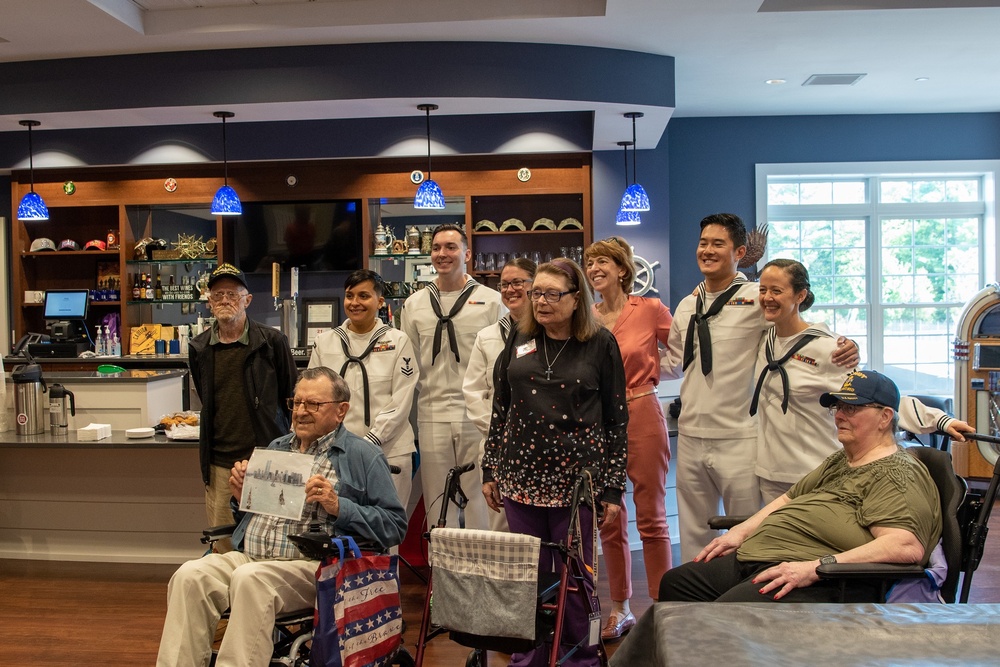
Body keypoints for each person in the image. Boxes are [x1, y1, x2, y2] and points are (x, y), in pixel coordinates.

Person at [156, 367, 407, 667]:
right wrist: (241, 497)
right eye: (296, 402)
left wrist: (338, 505)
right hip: (252, 557)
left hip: (314, 566)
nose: (300, 412)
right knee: (190, 576)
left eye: (312, 404)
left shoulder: (362, 456)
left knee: (250, 580)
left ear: (341, 411)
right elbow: (254, 515)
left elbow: (394, 525)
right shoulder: (276, 448)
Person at [661, 213, 859, 562]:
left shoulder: (757, 297)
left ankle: (743, 604)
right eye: (703, 243)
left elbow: (797, 326)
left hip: (740, 438)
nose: (707, 250)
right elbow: (673, 364)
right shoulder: (688, 305)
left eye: (717, 243)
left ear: (739, 251)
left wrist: (846, 346)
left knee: (747, 532)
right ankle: (694, 607)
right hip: (691, 436)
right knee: (693, 531)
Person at [659, 369, 942, 603]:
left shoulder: (897, 474)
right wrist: (740, 531)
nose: (840, 415)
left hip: (822, 575)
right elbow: (788, 498)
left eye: (852, 407)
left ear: (885, 417)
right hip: (763, 554)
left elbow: (905, 546)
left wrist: (818, 567)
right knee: (677, 584)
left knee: (725, 612)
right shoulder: (842, 460)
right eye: (838, 407)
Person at [482, 258, 628, 667]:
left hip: (576, 483)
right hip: (520, 479)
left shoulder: (600, 343)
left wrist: (612, 489)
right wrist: (490, 468)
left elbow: (617, 420)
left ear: (576, 298)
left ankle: (579, 657)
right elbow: (501, 406)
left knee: (576, 578)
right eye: (536, 294)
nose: (541, 302)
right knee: (526, 576)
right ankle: (529, 657)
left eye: (551, 294)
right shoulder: (520, 335)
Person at [750, 258, 975, 502]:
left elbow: (875, 396)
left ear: (800, 295)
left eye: (776, 291)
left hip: (814, 472)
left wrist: (940, 420)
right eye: (762, 290)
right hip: (769, 472)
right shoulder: (762, 338)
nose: (767, 297)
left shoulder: (828, 349)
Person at [584, 237, 671, 640]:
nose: (593, 267)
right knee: (609, 517)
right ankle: (619, 608)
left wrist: (656, 373)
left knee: (651, 515)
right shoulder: (586, 317)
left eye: (602, 260)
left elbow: (692, 348)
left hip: (641, 412)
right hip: (598, 422)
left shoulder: (650, 309)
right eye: (588, 262)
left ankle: (664, 607)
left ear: (622, 268)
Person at [400, 223, 506, 529]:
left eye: (451, 247)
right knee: (437, 497)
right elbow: (409, 365)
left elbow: (498, 365)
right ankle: (442, 570)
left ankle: (482, 568)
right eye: (436, 248)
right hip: (431, 411)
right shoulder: (414, 304)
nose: (442, 254)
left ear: (467, 254)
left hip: (475, 413)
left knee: (479, 494)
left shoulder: (491, 300)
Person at [189, 262, 297, 553]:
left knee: (271, 539)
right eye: (218, 294)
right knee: (223, 544)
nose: (225, 300)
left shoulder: (272, 342)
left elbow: (291, 398)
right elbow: (206, 399)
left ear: (247, 300)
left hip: (266, 459)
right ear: (209, 302)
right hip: (220, 462)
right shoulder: (199, 347)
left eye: (233, 294)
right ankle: (228, 599)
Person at [309, 269, 419, 509]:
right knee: (338, 525)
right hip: (336, 451)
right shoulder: (325, 342)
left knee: (387, 528)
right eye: (350, 296)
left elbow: (401, 400)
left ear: (380, 301)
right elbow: (312, 397)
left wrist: (370, 441)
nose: (355, 303)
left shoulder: (398, 341)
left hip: (389, 450)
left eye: (363, 296)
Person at [463, 257, 536, 532]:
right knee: (501, 527)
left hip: (540, 447)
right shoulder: (487, 336)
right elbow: (473, 392)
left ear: (535, 285)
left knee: (538, 529)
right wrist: (501, 431)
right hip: (498, 447)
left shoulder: (549, 335)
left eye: (518, 282)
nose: (509, 290)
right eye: (504, 284)